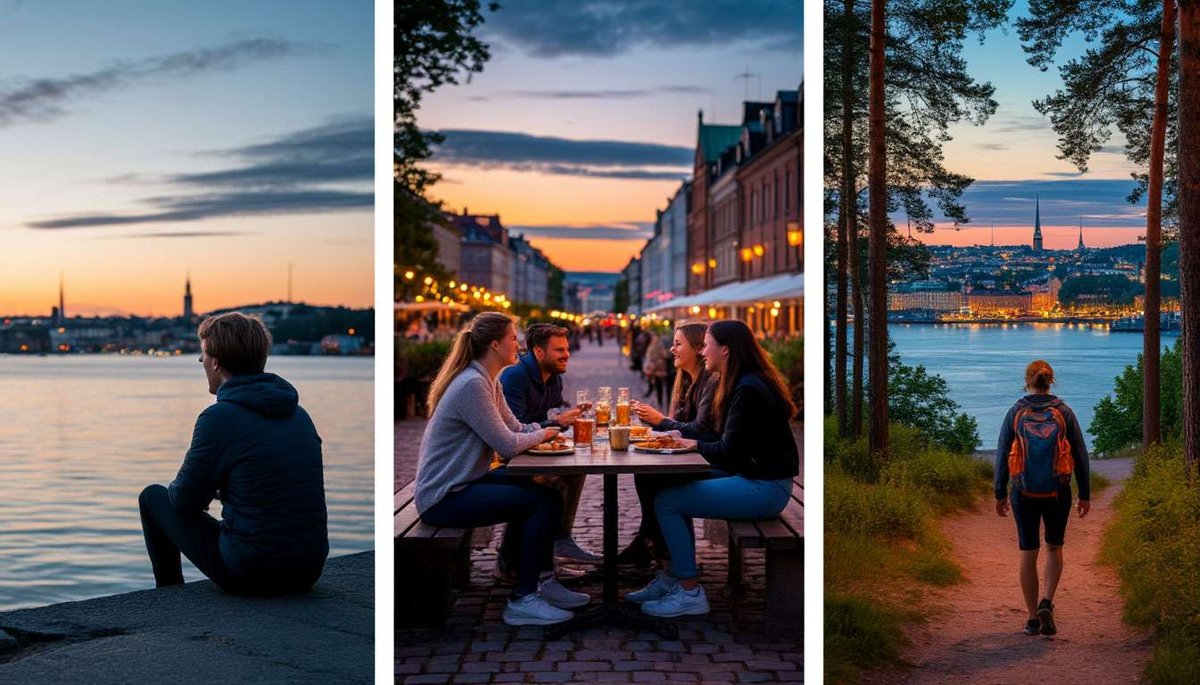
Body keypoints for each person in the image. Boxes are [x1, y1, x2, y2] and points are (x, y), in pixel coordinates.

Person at [413, 312, 589, 626]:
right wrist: (544, 434)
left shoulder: (486, 380)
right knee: (541, 502)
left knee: (547, 490)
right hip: (445, 495)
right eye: (512, 338)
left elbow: (518, 427)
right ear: (495, 344)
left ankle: (544, 580)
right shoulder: (472, 385)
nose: (518, 344)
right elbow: (508, 445)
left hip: (466, 482)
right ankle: (523, 599)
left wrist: (546, 430)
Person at [138, 312, 328, 596]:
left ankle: (168, 595)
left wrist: (209, 487)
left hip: (253, 571)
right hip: (308, 569)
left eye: (203, 354)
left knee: (153, 497)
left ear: (216, 361)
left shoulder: (219, 418)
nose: (201, 362)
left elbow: (184, 500)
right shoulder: (299, 414)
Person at [628, 320, 798, 618]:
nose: (703, 351)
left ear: (726, 349)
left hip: (765, 488)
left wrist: (690, 445)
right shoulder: (744, 381)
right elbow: (726, 447)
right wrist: (685, 440)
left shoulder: (747, 389)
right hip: (751, 475)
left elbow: (726, 450)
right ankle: (671, 578)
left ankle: (690, 591)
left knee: (667, 501)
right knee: (661, 485)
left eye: (706, 345)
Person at [994, 360, 1090, 636]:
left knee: (1028, 551)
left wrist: (1000, 492)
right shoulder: (1064, 412)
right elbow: (1080, 455)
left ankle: (1033, 617)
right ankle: (1047, 600)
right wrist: (1084, 494)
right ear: (1051, 381)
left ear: (1027, 381)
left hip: (1022, 490)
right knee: (1054, 547)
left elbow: (1002, 454)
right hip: (1057, 490)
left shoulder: (1016, 411)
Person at [617, 322, 718, 569]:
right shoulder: (685, 381)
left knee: (655, 481)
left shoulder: (709, 383)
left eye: (677, 344)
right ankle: (650, 542)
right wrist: (659, 426)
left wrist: (660, 421)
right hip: (698, 456)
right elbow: (684, 427)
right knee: (647, 475)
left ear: (697, 348)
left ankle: (657, 550)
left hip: (710, 459)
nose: (671, 349)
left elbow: (700, 430)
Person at [499, 323, 599, 568]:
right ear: (539, 352)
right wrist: (553, 422)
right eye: (559, 350)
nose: (566, 355)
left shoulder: (553, 376)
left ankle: (561, 540)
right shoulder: (515, 376)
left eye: (566, 349)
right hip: (508, 455)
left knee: (575, 471)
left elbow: (553, 411)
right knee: (550, 485)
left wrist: (569, 415)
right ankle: (513, 561)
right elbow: (512, 427)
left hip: (534, 448)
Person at [642, 333, 671, 407]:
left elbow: (655, 358)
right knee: (660, 387)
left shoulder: (655, 346)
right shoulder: (657, 345)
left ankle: (660, 402)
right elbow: (665, 355)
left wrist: (650, 368)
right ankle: (661, 402)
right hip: (659, 369)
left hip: (657, 369)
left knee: (659, 386)